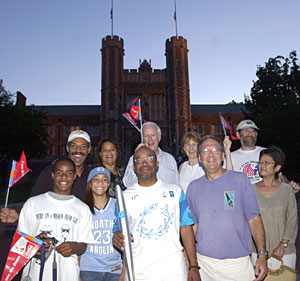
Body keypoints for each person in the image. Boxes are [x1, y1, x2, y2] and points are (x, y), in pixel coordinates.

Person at [112, 146, 201, 281]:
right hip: (139, 272)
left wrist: (193, 266)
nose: (144, 163)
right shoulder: (123, 197)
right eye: (139, 160)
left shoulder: (175, 191)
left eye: (149, 158)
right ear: (134, 167)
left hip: (174, 271)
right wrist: (117, 236)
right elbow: (118, 230)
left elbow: (186, 228)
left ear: (157, 164)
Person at [186, 135, 267, 281]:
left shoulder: (239, 180)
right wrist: (190, 261)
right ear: (199, 158)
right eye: (205, 150)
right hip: (204, 265)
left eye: (215, 150)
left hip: (237, 265)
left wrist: (262, 255)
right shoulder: (193, 187)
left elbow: (254, 219)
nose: (210, 154)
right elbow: (193, 227)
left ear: (223, 155)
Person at [17, 158, 94, 281]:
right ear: (52, 175)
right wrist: (33, 246)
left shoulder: (82, 208)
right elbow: (19, 242)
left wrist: (74, 247)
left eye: (69, 173)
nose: (64, 177)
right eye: (59, 173)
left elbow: (84, 245)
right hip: (36, 274)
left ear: (74, 176)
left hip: (67, 274)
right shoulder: (32, 204)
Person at [0, 129, 93, 224]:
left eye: (83, 146)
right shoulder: (49, 172)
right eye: (74, 146)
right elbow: (34, 202)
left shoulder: (93, 175)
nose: (78, 150)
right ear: (67, 148)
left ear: (89, 150)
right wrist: (18, 215)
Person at [251, 146, 298, 270]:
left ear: (277, 167)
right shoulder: (250, 190)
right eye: (260, 162)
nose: (262, 165)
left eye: (267, 163)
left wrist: (283, 245)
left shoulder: (286, 189)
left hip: (284, 252)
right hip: (258, 252)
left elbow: (292, 219)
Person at [80, 166, 124, 281]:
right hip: (89, 269)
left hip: (114, 269)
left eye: (104, 179)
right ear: (90, 183)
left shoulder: (118, 205)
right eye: (96, 179)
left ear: (109, 184)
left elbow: (127, 240)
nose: (100, 182)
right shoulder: (82, 208)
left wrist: (124, 272)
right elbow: (78, 242)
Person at [231, 120, 300, 192]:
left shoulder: (267, 153)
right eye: (245, 131)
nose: (250, 134)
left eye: (253, 131)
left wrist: (290, 186)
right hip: (243, 200)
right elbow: (227, 183)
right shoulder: (230, 157)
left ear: (256, 134)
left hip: (267, 199)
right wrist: (228, 203)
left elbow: (279, 176)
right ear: (238, 135)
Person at [122, 121, 179, 188]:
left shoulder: (169, 159)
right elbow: (127, 183)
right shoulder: (134, 158)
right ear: (142, 139)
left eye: (153, 135)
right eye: (146, 136)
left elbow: (176, 184)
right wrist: (137, 157)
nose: (150, 139)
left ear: (159, 138)